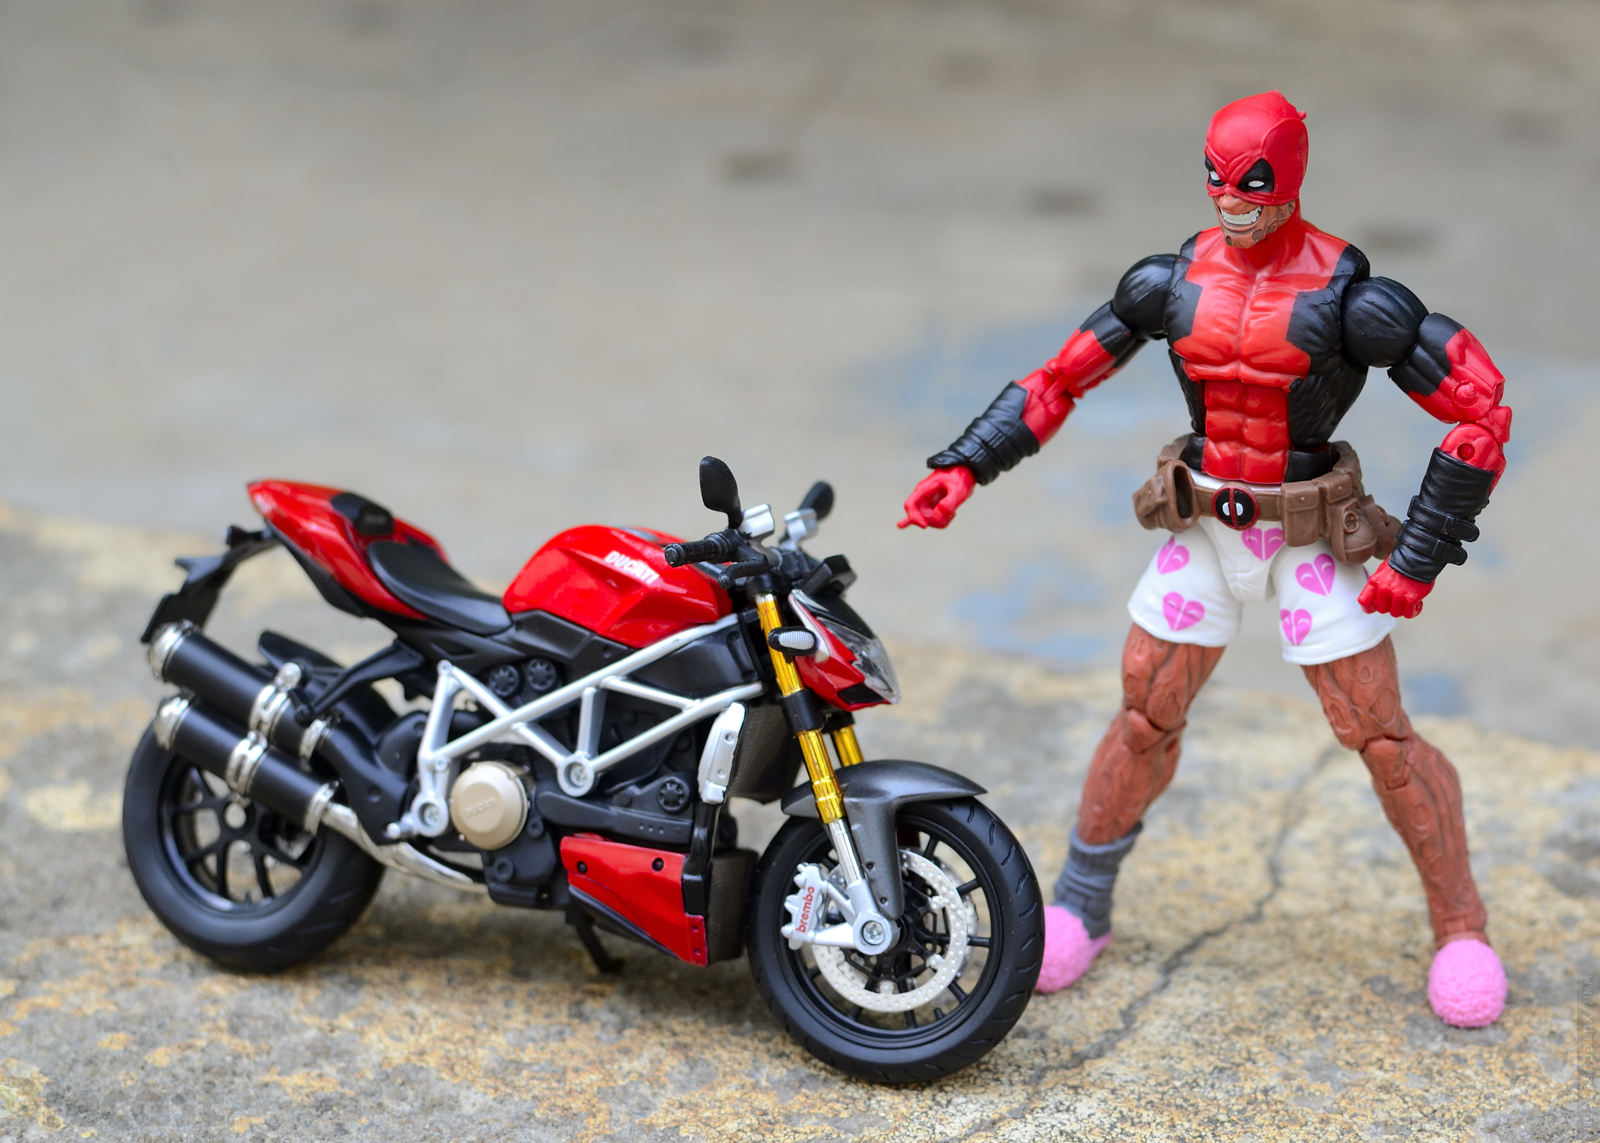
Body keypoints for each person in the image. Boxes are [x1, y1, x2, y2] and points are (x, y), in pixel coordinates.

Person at [899, 91, 1511, 1028]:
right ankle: (1082, 902)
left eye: (1252, 183)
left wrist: (1418, 557)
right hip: (1204, 525)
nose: (1232, 200)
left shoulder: (1353, 299)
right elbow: (1061, 377)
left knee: (1381, 735)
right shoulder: (1170, 282)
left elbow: (1482, 411)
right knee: (1144, 714)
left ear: (1289, 177)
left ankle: (1461, 925)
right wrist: (964, 464)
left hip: (1310, 535)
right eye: (1217, 179)